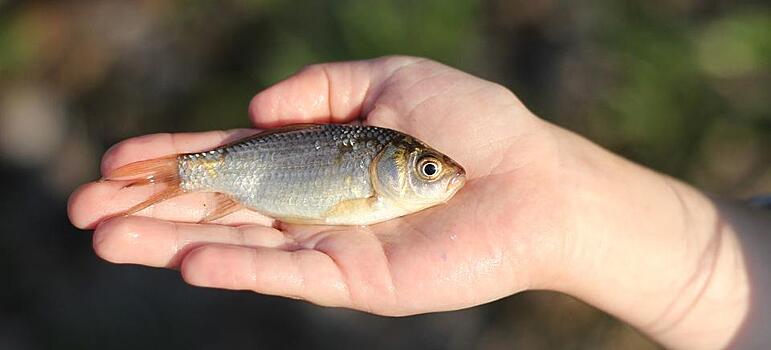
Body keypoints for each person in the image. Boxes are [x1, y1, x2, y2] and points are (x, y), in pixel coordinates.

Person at [68, 56, 770, 349]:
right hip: (251, 174)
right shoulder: (372, 171)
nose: (442, 177)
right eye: (429, 170)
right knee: (183, 180)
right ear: (396, 164)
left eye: (428, 169)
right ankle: (175, 176)